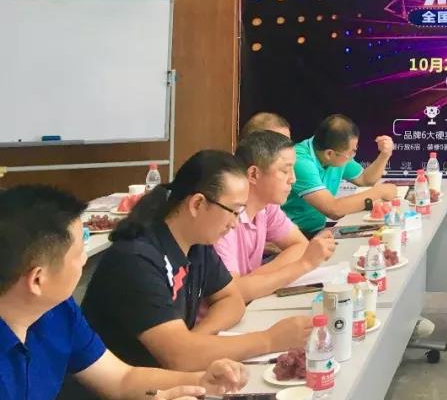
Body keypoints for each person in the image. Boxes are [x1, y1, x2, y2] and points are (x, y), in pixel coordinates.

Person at [0, 184, 247, 400]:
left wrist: (200, 380)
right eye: (78, 253)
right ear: (38, 279)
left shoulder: (58, 311)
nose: (85, 260)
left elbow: (122, 379)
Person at [76, 151, 311, 376]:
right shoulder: (136, 260)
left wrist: (196, 339)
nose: (235, 224)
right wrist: (269, 340)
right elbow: (180, 358)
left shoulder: (197, 244)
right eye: (234, 211)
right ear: (197, 204)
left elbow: (231, 299)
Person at [215, 131, 336, 302]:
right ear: (253, 174)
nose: (293, 179)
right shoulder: (224, 219)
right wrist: (303, 265)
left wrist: (255, 280)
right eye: (285, 171)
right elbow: (233, 293)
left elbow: (300, 245)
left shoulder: (268, 207)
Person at [281, 114, 398, 237]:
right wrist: (379, 192)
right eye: (351, 152)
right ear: (329, 154)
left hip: (316, 230)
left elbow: (365, 179)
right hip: (289, 237)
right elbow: (333, 210)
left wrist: (385, 155)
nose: (352, 156)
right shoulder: (300, 162)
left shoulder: (333, 152)